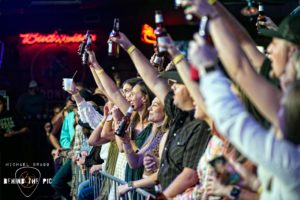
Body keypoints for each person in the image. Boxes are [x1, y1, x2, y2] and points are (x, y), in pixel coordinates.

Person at [190, 32, 300, 199]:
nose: (280, 84)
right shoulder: (288, 154)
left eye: (289, 86)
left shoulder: (292, 159)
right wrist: (250, 180)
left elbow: (232, 119)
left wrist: (207, 68)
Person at [109, 32, 211, 198]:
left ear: (192, 91)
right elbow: (154, 81)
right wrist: (129, 46)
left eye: (177, 84)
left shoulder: (200, 125)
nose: (173, 88)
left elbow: (189, 176)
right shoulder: (179, 114)